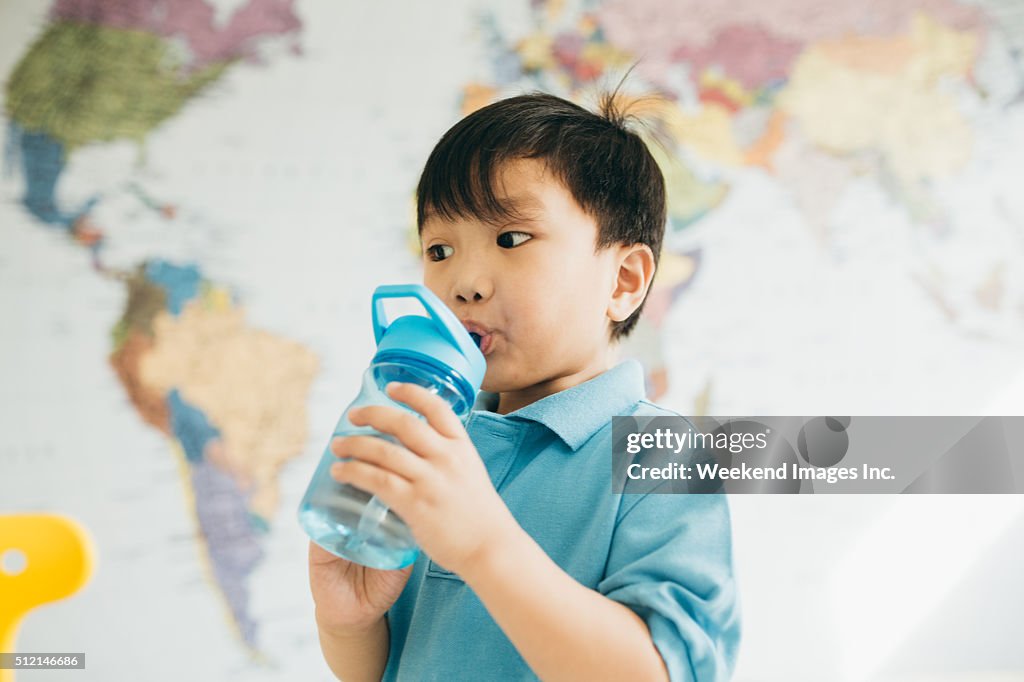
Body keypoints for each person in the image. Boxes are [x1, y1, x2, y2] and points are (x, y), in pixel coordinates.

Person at [308, 89, 741, 681]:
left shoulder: (661, 455)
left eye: (511, 239)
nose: (464, 282)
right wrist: (348, 623)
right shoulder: (440, 442)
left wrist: (485, 548)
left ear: (623, 280)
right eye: (439, 249)